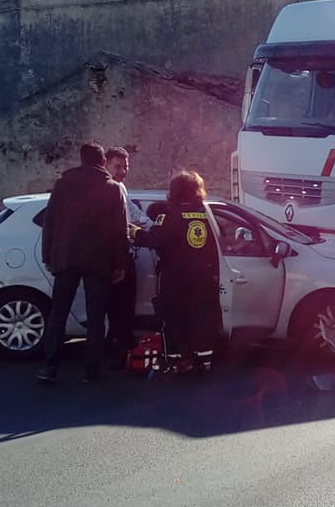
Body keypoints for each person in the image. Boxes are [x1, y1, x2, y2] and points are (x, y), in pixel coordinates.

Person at [37, 142, 130, 384]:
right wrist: (121, 264)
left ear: (81, 160)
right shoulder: (113, 189)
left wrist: (48, 255)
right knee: (96, 317)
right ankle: (92, 370)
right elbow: (120, 231)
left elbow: (49, 223)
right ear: (103, 162)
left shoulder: (62, 185)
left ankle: (49, 368)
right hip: (99, 259)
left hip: (66, 257)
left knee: (58, 314)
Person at [134, 170, 221, 373]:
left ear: (175, 191)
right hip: (204, 278)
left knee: (173, 319)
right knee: (202, 318)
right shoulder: (208, 215)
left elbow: (153, 240)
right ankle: (204, 361)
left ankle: (175, 361)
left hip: (175, 279)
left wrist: (134, 232)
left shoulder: (169, 216)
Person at [104, 145, 152, 359]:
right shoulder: (106, 189)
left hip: (123, 256)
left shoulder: (121, 188)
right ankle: (116, 347)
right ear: (105, 164)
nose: (123, 171)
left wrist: (149, 227)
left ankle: (121, 343)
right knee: (116, 306)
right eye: (118, 166)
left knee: (123, 306)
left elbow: (137, 216)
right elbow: (120, 222)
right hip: (110, 259)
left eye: (126, 167)